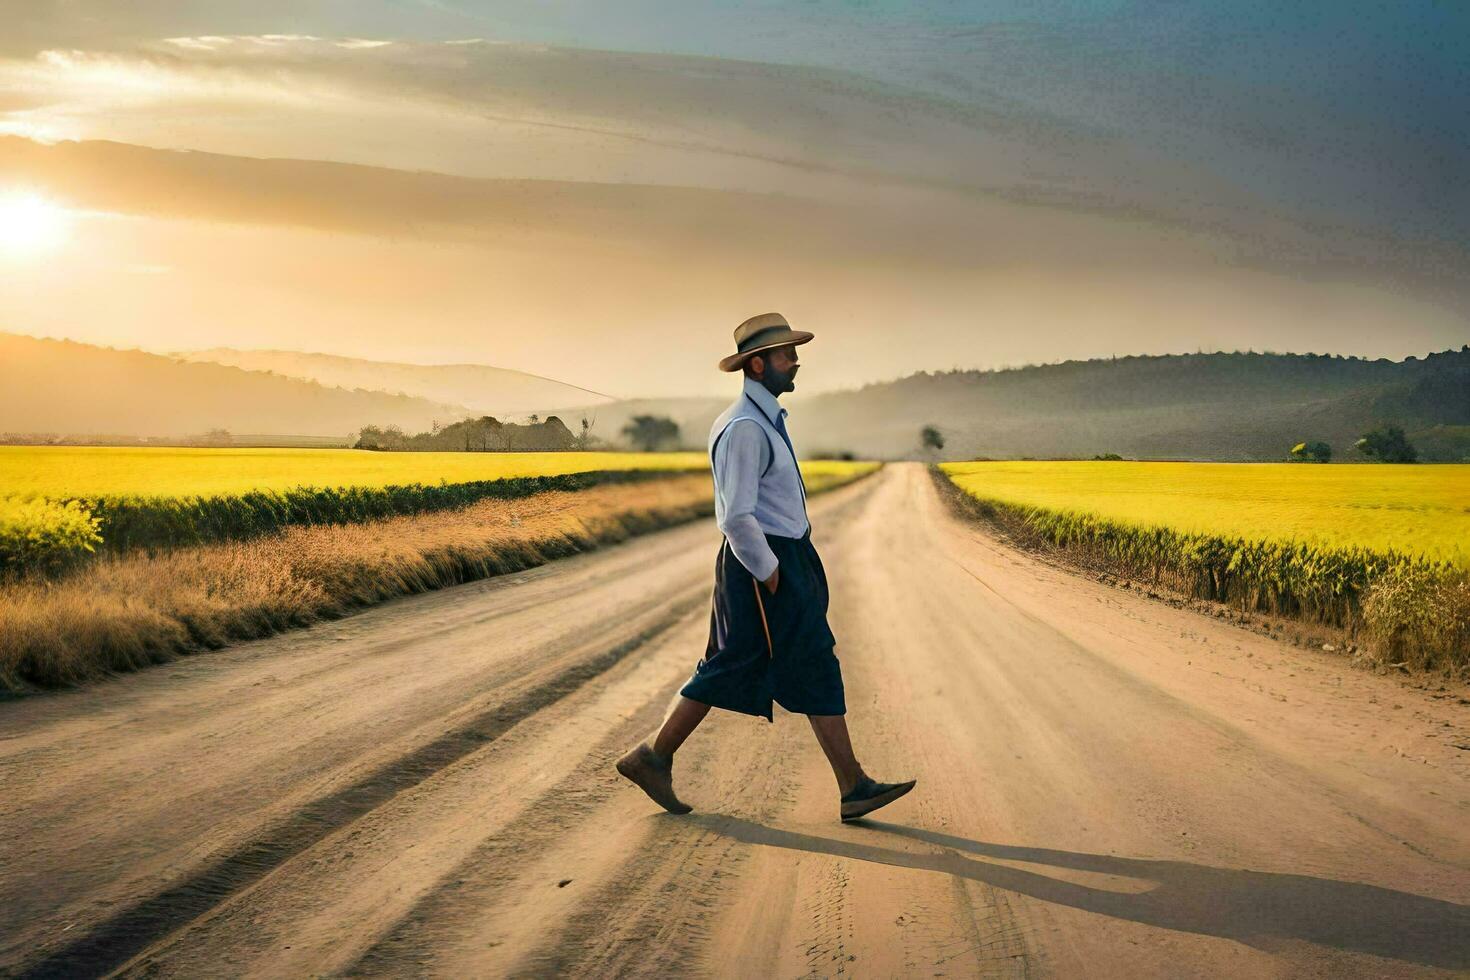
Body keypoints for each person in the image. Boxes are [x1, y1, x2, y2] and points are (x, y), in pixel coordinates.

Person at [616, 312, 916, 822]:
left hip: (781, 556)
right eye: (786, 355)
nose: (795, 362)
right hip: (764, 563)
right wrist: (773, 574)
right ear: (757, 364)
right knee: (802, 658)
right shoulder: (745, 428)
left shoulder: (762, 419)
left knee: (738, 661)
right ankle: (853, 786)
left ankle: (654, 757)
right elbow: (736, 515)